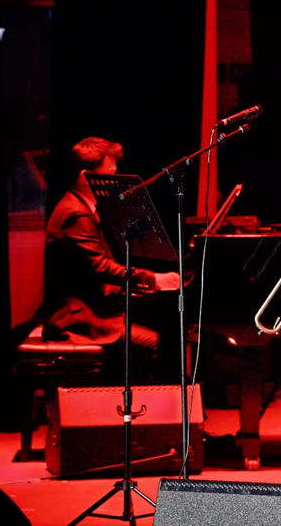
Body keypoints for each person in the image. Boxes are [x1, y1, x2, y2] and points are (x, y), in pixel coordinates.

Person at [38, 137, 180, 383]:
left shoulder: (80, 207)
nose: (114, 182)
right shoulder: (75, 214)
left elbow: (88, 271)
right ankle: (135, 403)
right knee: (156, 344)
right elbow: (100, 267)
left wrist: (138, 286)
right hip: (78, 319)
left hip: (92, 308)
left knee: (151, 328)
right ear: (86, 177)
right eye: (110, 175)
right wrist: (153, 279)